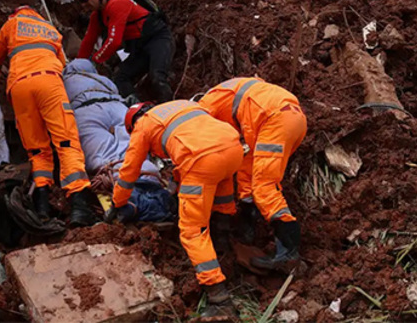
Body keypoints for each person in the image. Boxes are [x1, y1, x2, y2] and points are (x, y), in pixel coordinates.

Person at [112, 100, 243, 317]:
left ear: (133, 123)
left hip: (201, 160)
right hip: (232, 147)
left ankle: (219, 297)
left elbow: (129, 172)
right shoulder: (180, 105)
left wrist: (118, 203)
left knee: (192, 231)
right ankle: (222, 248)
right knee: (222, 200)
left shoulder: (143, 125)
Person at [0, 6, 97, 227]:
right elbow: (63, 66)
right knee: (66, 142)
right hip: (49, 82)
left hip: (19, 86)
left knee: (37, 149)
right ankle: (79, 206)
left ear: (16, 13)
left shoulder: (11, 25)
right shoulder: (50, 29)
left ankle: (42, 205)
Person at [198, 77, 308, 271]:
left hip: (273, 120)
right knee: (249, 171)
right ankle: (248, 223)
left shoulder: (204, 109)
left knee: (264, 186)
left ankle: (289, 253)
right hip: (293, 118)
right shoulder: (233, 92)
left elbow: (208, 149)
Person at [62, 58, 172, 222]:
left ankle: (127, 193)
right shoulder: (104, 80)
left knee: (102, 155)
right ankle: (148, 178)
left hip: (86, 111)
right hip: (118, 108)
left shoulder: (64, 82)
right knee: (134, 150)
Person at [73, 0, 174, 104]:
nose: (84, 5)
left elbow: (114, 41)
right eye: (81, 2)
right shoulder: (97, 16)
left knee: (157, 77)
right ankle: (136, 109)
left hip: (158, 39)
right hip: (140, 49)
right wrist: (78, 67)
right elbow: (88, 41)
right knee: (120, 78)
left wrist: (95, 60)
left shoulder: (117, 3)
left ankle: (170, 109)